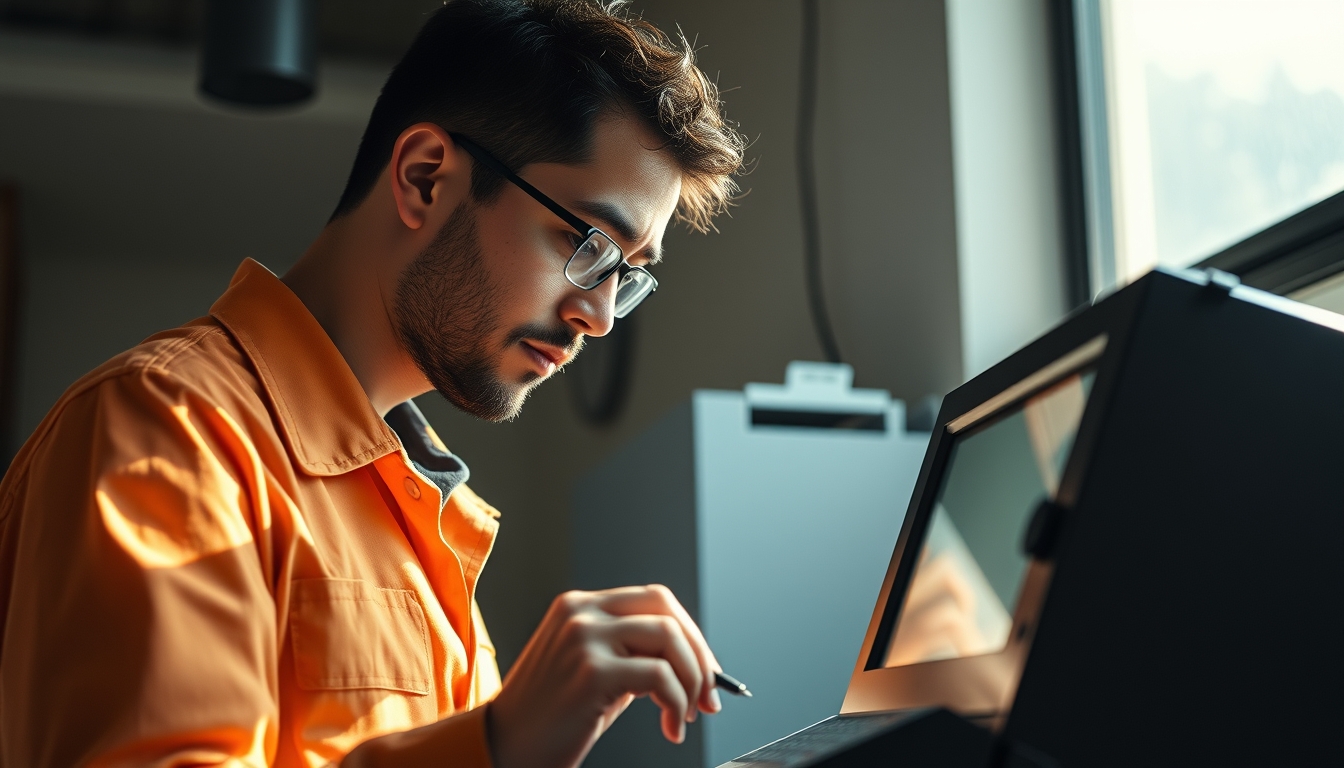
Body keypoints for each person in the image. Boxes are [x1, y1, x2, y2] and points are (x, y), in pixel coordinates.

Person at [0, 0, 746, 766]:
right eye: (586, 242)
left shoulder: (429, 518)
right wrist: (495, 744)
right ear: (425, 178)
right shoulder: (165, 425)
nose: (600, 316)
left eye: (628, 275)